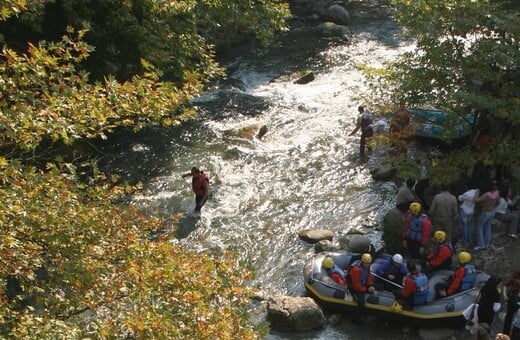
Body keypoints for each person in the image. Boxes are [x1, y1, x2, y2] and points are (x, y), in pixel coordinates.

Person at [474, 182, 499, 251]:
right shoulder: (496, 193)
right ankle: (487, 244)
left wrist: (477, 192)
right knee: (488, 227)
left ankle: (481, 245)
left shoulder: (486, 195)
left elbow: (476, 200)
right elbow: (498, 202)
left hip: (485, 212)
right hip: (492, 211)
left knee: (479, 227)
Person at [458, 182, 479, 247]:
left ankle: (464, 241)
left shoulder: (467, 194)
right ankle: (470, 240)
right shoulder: (476, 192)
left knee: (465, 226)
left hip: (464, 210)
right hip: (471, 211)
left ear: (467, 187)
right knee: (469, 225)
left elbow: (460, 198)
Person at [502, 270, 520, 335]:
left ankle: (510, 334)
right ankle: (506, 334)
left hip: (516, 299)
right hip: (513, 299)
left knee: (512, 318)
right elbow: (505, 286)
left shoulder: (514, 279)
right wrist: (505, 295)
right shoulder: (514, 279)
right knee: (509, 317)